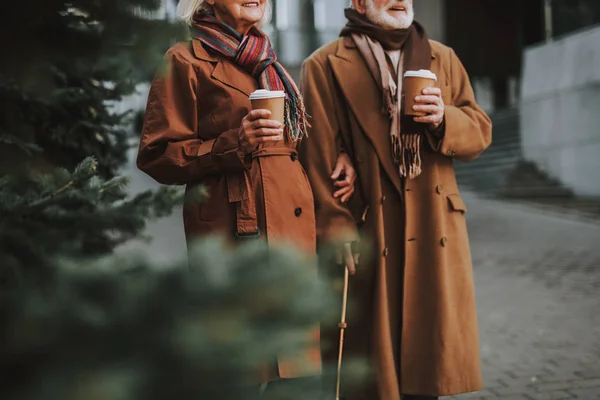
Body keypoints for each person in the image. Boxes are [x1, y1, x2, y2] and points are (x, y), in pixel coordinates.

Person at [136, 0, 355, 396]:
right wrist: (233, 142)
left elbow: (295, 146)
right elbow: (157, 154)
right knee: (239, 371)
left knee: (293, 371)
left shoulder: (270, 63)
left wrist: (338, 162)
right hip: (234, 231)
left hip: (293, 231)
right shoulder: (185, 60)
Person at [299, 0, 492, 399]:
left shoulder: (444, 58)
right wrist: (335, 224)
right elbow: (317, 156)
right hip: (371, 228)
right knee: (374, 374)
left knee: (428, 365)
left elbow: (479, 132)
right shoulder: (324, 65)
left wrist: (443, 119)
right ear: (358, 3)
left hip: (433, 224)